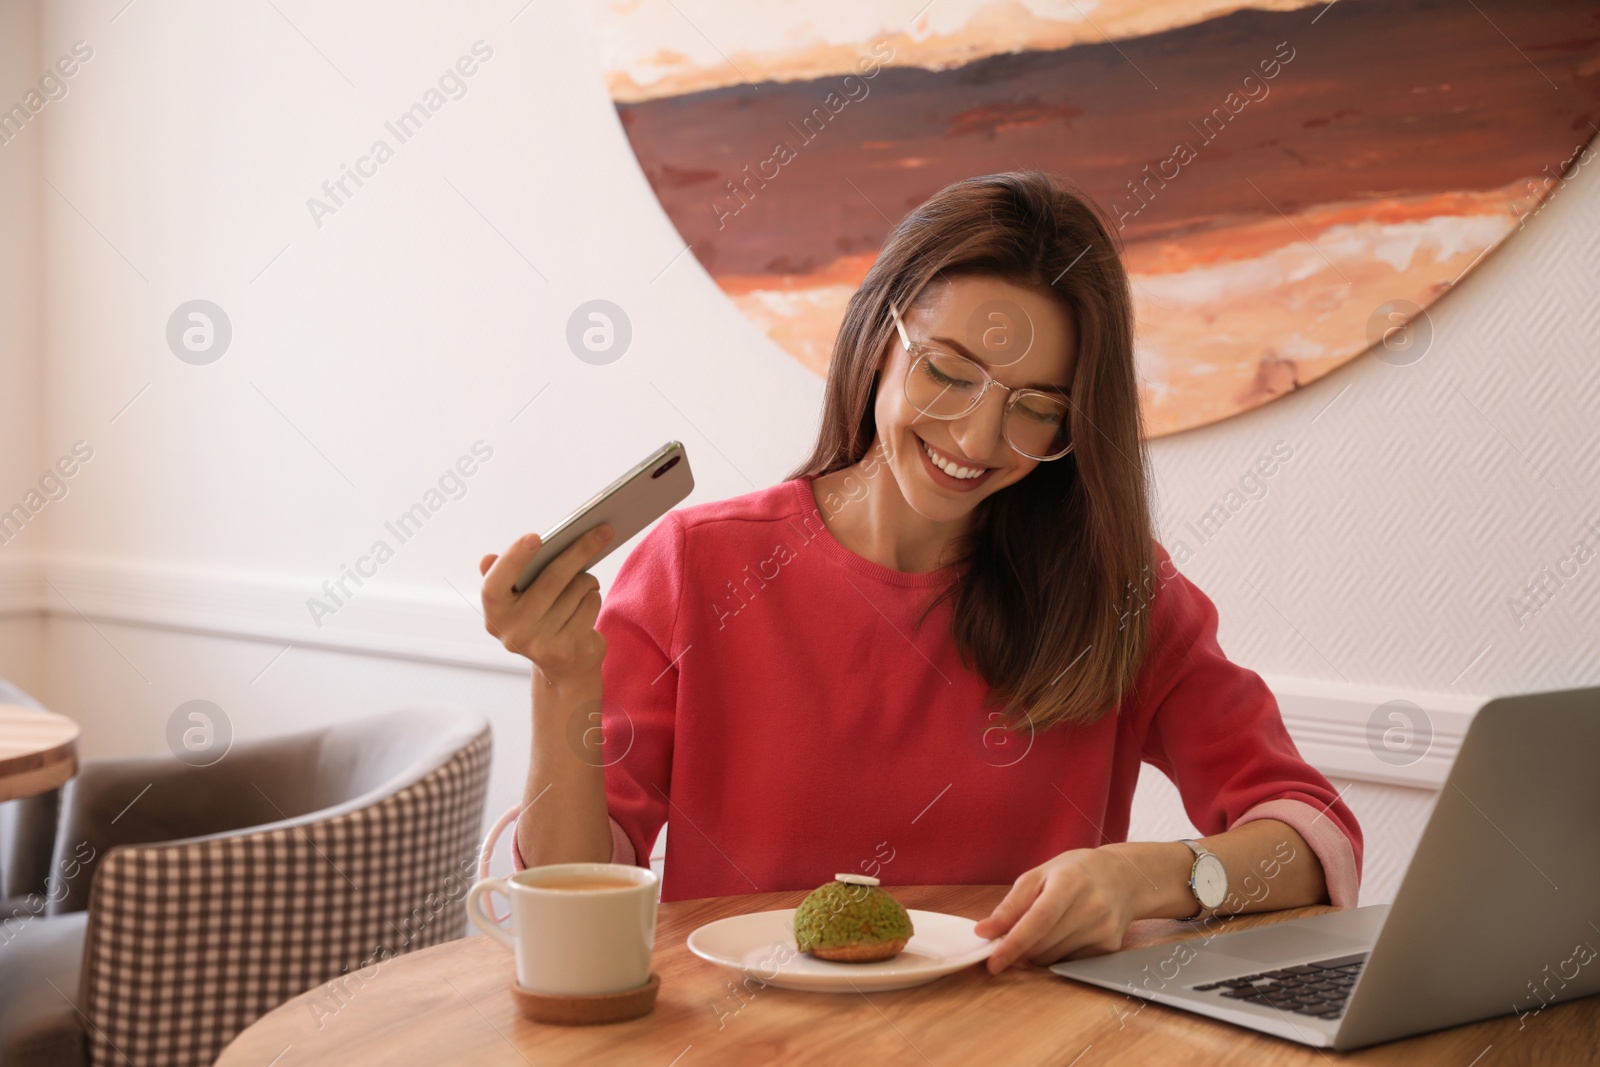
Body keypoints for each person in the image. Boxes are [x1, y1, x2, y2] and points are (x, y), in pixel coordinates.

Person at [478, 171, 1361, 974]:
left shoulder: (1113, 591)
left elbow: (1311, 839)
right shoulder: (701, 566)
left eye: (1037, 409)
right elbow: (572, 901)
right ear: (879, 334)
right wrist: (563, 679)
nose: (978, 441)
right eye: (949, 372)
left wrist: (1151, 874)